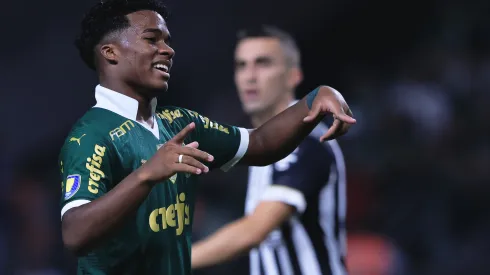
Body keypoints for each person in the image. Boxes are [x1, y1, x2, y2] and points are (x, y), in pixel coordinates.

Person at [60, 1, 355, 274]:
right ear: (110, 52)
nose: (168, 50)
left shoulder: (180, 123)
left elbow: (261, 144)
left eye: (167, 41)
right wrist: (145, 175)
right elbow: (75, 234)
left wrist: (315, 99)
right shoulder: (90, 135)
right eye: (152, 39)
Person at [191, 26, 348, 275]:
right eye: (241, 65)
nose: (249, 76)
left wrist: (173, 261)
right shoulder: (259, 143)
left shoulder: (307, 141)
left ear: (293, 76)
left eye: (263, 63)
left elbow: (254, 231)